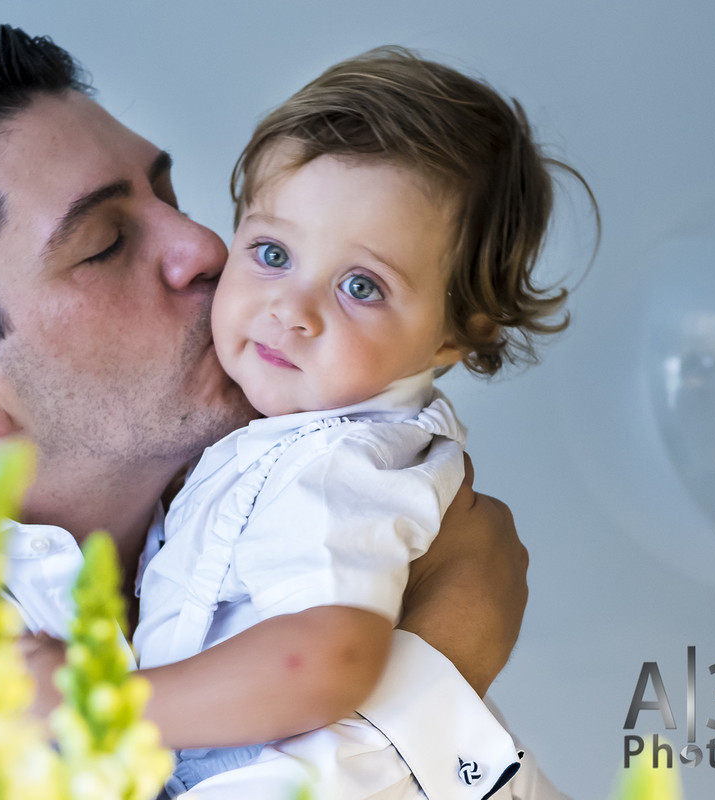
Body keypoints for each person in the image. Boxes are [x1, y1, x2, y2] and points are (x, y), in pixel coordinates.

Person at [0, 26, 540, 800]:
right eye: (104, 243)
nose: (206, 248)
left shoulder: (343, 477)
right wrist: (437, 661)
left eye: (167, 193)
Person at [126, 47, 594, 798]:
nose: (293, 309)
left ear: (452, 337)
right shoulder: (276, 446)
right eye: (272, 251)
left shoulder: (340, 462)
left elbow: (324, 660)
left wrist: (106, 710)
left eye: (360, 285)